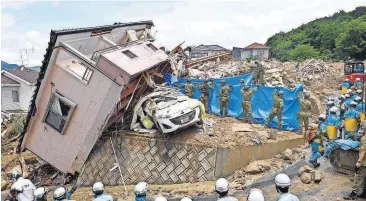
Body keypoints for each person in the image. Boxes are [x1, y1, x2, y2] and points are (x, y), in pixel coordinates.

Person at [344, 120, 366, 200]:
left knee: (358, 178)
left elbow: (363, 151)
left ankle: (353, 194)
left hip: (364, 163)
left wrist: (359, 162)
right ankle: (364, 194)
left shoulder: (364, 138)